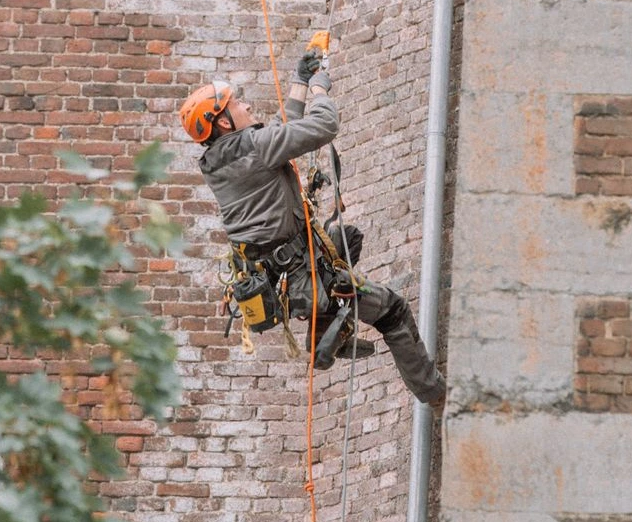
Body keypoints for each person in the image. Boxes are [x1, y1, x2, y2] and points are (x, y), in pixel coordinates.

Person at [178, 53, 445, 408]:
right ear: (224, 122)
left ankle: (324, 325)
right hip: (299, 278)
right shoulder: (254, 149)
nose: (245, 104)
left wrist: (299, 82)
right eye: (236, 103)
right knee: (392, 309)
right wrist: (320, 90)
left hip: (280, 275)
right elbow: (323, 128)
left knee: (347, 239)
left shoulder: (221, 159)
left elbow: (277, 132)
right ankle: (438, 396)